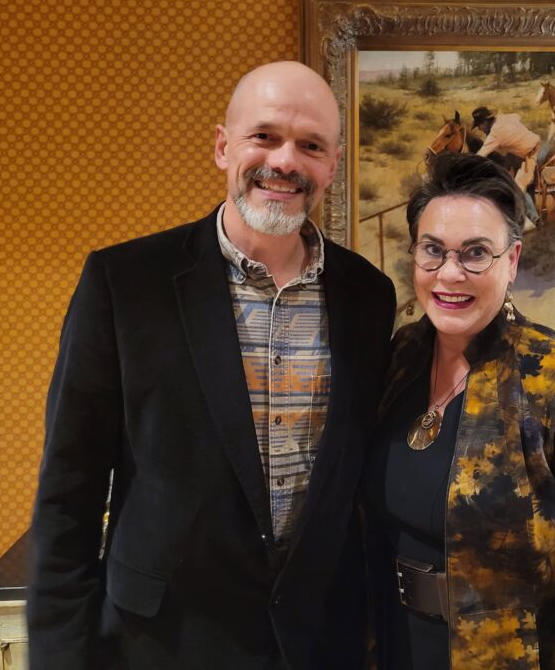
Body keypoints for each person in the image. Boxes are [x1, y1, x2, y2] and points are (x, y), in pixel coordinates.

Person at [28, 61, 396, 669]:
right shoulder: (125, 283)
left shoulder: (369, 295)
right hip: (164, 641)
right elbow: (68, 490)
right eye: (264, 136)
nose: (284, 161)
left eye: (310, 146)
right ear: (223, 147)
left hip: (318, 640)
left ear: (332, 165)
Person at [363, 153, 555, 669]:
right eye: (433, 251)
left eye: (475, 253)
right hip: (393, 643)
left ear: (511, 261)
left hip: (506, 657)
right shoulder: (399, 357)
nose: (450, 274)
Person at [471, 106, 543, 230]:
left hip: (530, 154)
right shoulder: (504, 118)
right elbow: (518, 116)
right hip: (534, 145)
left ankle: (533, 219)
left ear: (485, 122)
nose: (480, 129)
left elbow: (481, 155)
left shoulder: (495, 135)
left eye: (479, 125)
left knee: (516, 186)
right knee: (506, 163)